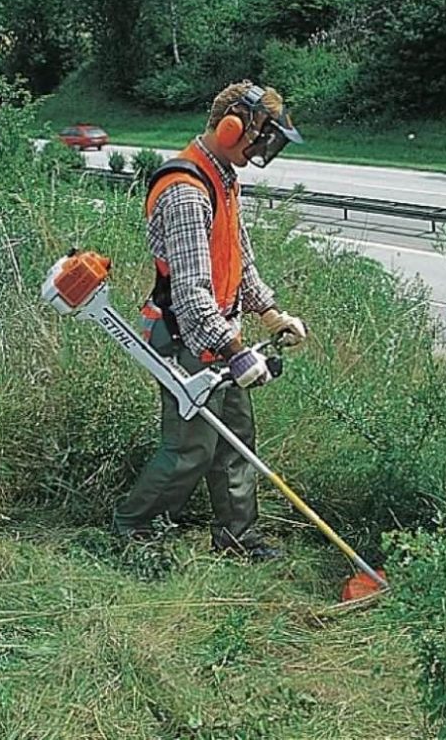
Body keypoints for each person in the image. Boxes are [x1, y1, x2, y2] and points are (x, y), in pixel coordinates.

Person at [113, 81, 307, 559]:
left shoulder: (223, 178)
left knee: (237, 441)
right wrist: (236, 353)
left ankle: (237, 537)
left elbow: (238, 262)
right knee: (191, 449)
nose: (265, 148)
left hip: (221, 336)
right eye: (261, 136)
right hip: (186, 338)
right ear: (232, 127)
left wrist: (271, 313)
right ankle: (132, 529)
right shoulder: (185, 190)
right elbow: (192, 292)